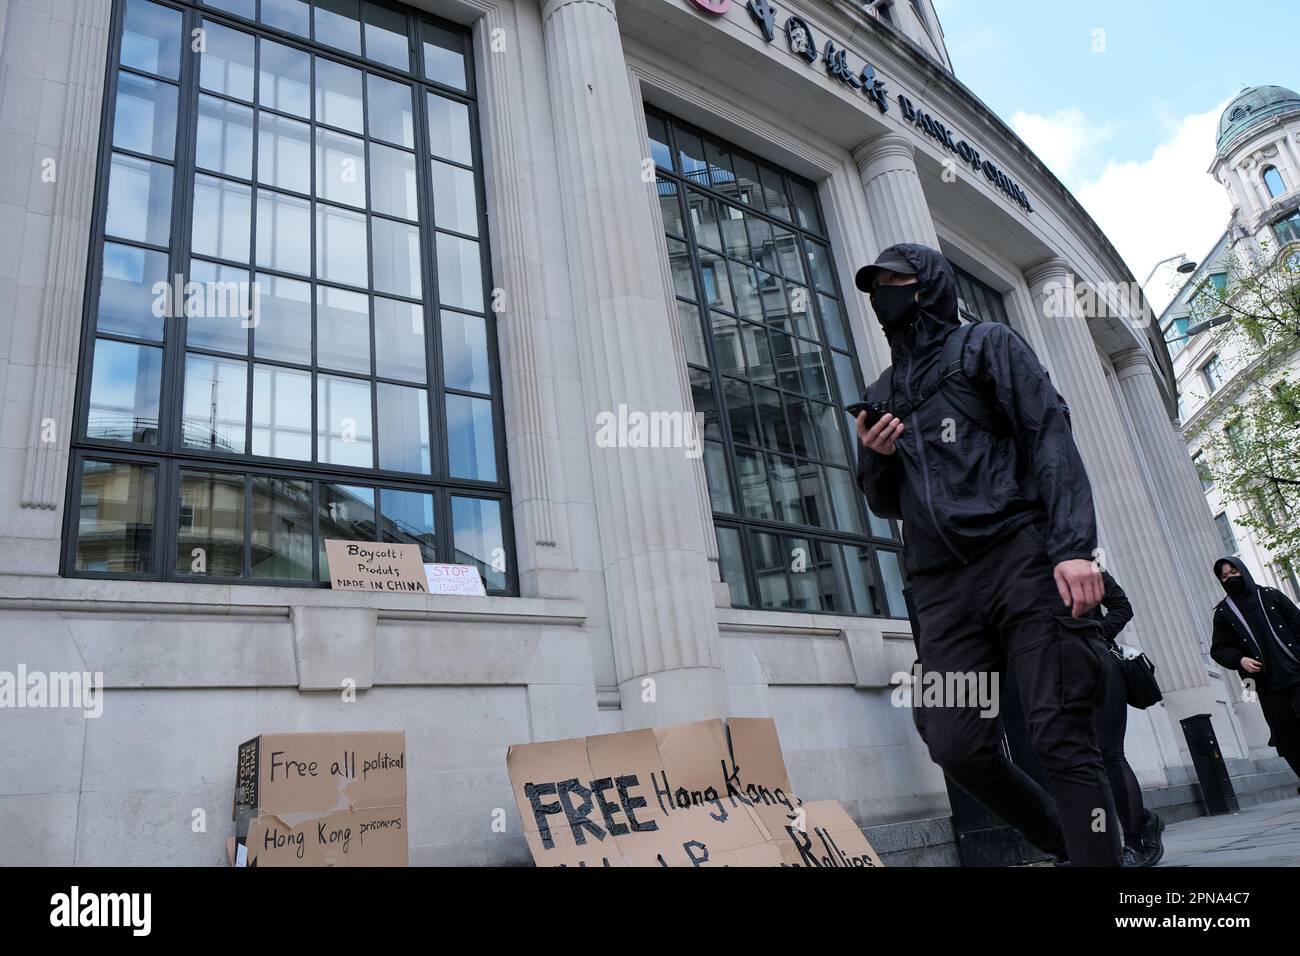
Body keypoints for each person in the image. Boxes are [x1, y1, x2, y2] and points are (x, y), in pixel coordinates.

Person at [854, 243, 1121, 866]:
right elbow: (884, 503)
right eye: (875, 288)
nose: (883, 296)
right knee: (956, 744)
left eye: (896, 281)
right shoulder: (881, 391)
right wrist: (876, 455)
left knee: (1061, 735)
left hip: (1019, 560)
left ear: (929, 286)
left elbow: (1048, 436)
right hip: (942, 590)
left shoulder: (989, 345)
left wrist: (1073, 548)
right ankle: (1065, 842)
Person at [1089, 571, 1165, 866]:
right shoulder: (1019, 565)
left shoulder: (1081, 560)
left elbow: (1121, 605)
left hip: (1100, 665)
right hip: (1056, 676)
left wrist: (1098, 633)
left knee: (1109, 752)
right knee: (1081, 759)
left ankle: (1135, 840)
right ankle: (1140, 820)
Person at [1210, 557, 1300, 786]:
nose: (1230, 578)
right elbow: (1219, 649)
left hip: (1296, 673)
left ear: (1243, 571)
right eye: (1224, 576)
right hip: (1267, 685)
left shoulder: (1270, 596)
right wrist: (1240, 659)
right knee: (1286, 736)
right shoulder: (1223, 612)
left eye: (1233, 572)